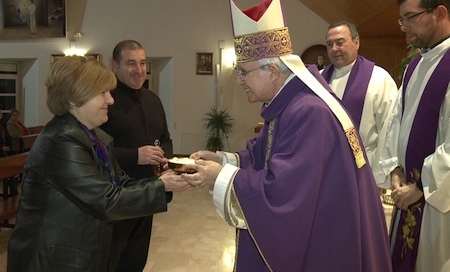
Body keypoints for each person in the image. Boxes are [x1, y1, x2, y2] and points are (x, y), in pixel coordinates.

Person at [182, 0, 392, 271]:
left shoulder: (309, 113)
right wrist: (223, 160)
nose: (239, 81)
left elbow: (282, 195)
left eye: (243, 72)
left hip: (324, 242)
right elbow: (264, 155)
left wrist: (218, 176)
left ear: (271, 70)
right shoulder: (288, 104)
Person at [7, 56, 192, 272]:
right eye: (102, 93)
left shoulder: (92, 136)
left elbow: (120, 184)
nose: (111, 100)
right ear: (75, 99)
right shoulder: (61, 140)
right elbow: (106, 201)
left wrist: (164, 181)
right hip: (52, 260)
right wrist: (162, 186)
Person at [379, 0, 450, 271]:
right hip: (407, 194)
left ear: (440, 13)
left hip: (439, 204)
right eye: (401, 19)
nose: (403, 27)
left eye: (410, 17)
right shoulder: (414, 66)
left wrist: (421, 188)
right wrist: (395, 167)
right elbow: (397, 120)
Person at [101, 40, 173, 272]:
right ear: (115, 65)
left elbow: (165, 139)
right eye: (131, 63)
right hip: (116, 197)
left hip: (147, 193)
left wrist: (165, 161)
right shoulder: (105, 102)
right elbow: (96, 152)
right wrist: (136, 156)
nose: (139, 69)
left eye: (142, 63)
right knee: (111, 262)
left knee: (136, 261)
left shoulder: (153, 100)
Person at [321, 21, 398, 189]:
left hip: (363, 170)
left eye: (340, 42)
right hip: (323, 171)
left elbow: (388, 129)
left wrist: (378, 177)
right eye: (329, 44)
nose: (334, 48)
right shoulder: (318, 80)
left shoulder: (378, 78)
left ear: (356, 42)